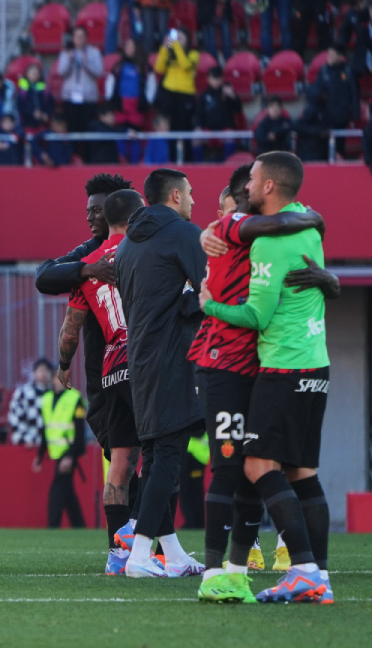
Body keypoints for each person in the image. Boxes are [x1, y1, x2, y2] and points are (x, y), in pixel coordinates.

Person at [198, 152, 336, 603]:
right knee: (302, 473)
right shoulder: (307, 221)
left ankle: (304, 569)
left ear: (268, 188)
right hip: (317, 362)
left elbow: (257, 315)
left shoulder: (265, 240)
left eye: (255, 180)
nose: (251, 188)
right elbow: (312, 226)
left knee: (255, 467)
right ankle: (317, 576)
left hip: (282, 366)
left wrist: (209, 306)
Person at [113, 168, 207, 578]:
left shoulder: (127, 245)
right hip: (173, 357)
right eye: (189, 194)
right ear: (173, 195)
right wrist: (189, 306)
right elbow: (212, 289)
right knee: (168, 456)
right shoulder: (185, 234)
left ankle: (172, 552)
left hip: (141, 358)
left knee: (154, 457)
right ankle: (138, 557)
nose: (193, 201)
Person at [34, 173, 133, 550]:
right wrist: (87, 270)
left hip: (122, 366)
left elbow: (69, 330)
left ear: (115, 208)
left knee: (134, 458)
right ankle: (132, 547)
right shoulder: (89, 255)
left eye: (98, 209)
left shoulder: (135, 248)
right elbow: (44, 276)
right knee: (125, 456)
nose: (90, 216)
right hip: (105, 376)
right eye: (88, 209)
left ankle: (135, 549)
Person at [54, 189, 145, 570]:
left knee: (119, 463)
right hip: (143, 361)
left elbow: (70, 331)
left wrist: (63, 366)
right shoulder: (145, 251)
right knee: (160, 457)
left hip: (110, 365)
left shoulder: (88, 263)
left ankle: (116, 554)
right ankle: (151, 550)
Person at [34, 374, 87, 529]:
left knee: (57, 491)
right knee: (68, 494)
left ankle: (53, 525)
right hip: (57, 453)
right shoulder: (47, 399)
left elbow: (79, 431)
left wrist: (71, 455)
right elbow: (46, 429)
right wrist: (39, 456)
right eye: (57, 378)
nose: (59, 382)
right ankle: (79, 526)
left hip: (68, 452)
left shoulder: (75, 398)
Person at [57, 27, 104, 133]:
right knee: (72, 128)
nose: (79, 39)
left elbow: (98, 73)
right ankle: (73, 150)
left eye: (82, 36)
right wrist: (69, 60)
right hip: (70, 96)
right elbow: (61, 72)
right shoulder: (66, 52)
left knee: (88, 128)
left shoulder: (94, 52)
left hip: (88, 97)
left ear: (86, 38)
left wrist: (86, 63)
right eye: (77, 36)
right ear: (73, 38)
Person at [154, 29, 199, 141]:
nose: (178, 40)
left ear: (188, 39)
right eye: (176, 38)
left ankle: (185, 157)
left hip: (185, 94)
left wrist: (177, 47)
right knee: (168, 126)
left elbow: (186, 65)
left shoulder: (194, 54)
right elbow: (158, 68)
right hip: (168, 92)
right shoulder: (170, 52)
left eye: (181, 38)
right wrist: (165, 48)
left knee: (183, 126)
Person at [194, 67, 243, 162]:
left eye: (218, 78)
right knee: (196, 138)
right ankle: (198, 164)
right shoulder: (204, 95)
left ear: (222, 79)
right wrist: (198, 126)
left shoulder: (228, 93)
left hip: (225, 129)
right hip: (208, 130)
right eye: (213, 78)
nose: (216, 81)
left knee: (230, 136)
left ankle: (227, 164)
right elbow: (198, 114)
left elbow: (238, 110)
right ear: (208, 79)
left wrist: (233, 96)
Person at [8, 358, 53, 449]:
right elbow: (15, 417)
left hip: (51, 446)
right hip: (29, 445)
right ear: (34, 373)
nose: (43, 374)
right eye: (40, 370)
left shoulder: (55, 394)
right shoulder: (23, 393)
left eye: (46, 370)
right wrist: (25, 438)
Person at [16, 62, 54, 132]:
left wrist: (46, 114)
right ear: (27, 74)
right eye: (32, 72)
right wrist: (32, 113)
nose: (34, 74)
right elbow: (20, 106)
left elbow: (50, 104)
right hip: (27, 124)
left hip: (43, 124)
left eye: (36, 73)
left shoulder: (45, 89)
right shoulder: (22, 89)